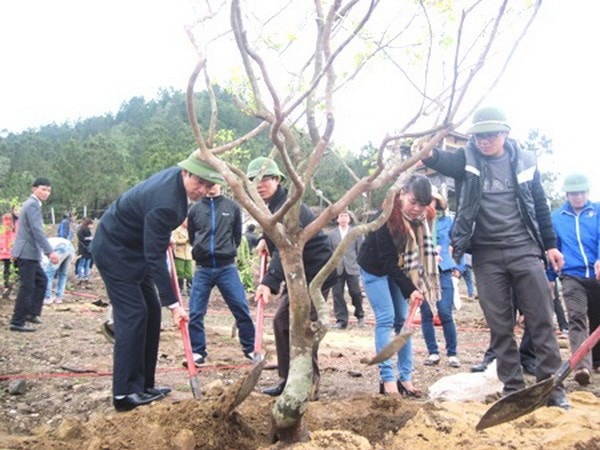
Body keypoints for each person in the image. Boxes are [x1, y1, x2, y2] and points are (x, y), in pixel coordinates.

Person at [421, 106, 569, 409]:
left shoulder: (526, 160)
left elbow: (539, 203)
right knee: (500, 326)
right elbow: (432, 157)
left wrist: (550, 245)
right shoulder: (466, 158)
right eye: (478, 136)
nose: (483, 141)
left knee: (541, 319)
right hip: (486, 255)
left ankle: (551, 388)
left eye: (490, 135)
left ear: (505, 133)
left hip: (524, 249)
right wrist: (429, 139)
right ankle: (513, 388)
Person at [90, 151, 225, 412]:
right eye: (199, 182)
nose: (203, 190)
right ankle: (124, 393)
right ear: (185, 172)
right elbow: (154, 257)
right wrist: (174, 303)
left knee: (151, 312)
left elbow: (149, 225)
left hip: (134, 248)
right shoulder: (167, 202)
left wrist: (161, 235)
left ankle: (144, 385)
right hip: (115, 251)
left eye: (209, 185)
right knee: (134, 314)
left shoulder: (176, 185)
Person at [247, 157, 336, 397]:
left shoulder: (287, 206)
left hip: (316, 272)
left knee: (302, 327)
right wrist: (265, 239)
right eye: (254, 180)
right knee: (283, 323)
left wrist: (268, 282)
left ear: (277, 180)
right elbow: (277, 240)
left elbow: (285, 247)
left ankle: (308, 384)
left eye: (266, 179)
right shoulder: (270, 206)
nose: (260, 184)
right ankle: (289, 381)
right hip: (298, 274)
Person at [358, 174, 438, 397]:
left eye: (422, 204)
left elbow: (420, 252)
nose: (417, 209)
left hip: (399, 270)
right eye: (413, 202)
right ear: (402, 194)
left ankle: (406, 378)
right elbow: (386, 261)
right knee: (386, 318)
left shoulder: (424, 217)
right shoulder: (385, 217)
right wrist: (410, 289)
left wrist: (417, 282)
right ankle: (388, 379)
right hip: (375, 268)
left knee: (404, 322)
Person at [186, 183, 255, 365]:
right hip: (203, 268)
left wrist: (226, 249)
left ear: (220, 184)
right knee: (195, 311)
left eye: (213, 183)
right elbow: (193, 237)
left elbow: (237, 237)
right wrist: (201, 251)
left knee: (241, 308)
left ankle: (250, 349)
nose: (210, 187)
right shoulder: (195, 210)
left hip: (227, 268)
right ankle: (197, 353)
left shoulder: (232, 207)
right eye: (206, 183)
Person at [551, 172, 600, 385]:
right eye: (573, 193)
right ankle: (582, 367)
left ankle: (597, 360)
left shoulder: (597, 211)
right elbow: (553, 247)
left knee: (597, 319)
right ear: (567, 195)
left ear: (587, 192)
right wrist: (550, 275)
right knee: (577, 319)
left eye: (581, 193)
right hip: (572, 275)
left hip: (597, 273)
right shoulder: (556, 217)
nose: (577, 197)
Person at [10, 177, 59, 332]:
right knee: (27, 286)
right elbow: (37, 231)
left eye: (48, 190)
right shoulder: (32, 205)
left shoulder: (32, 204)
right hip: (27, 252)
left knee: (41, 281)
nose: (46, 193)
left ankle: (32, 313)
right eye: (43, 189)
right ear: (34, 189)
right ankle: (17, 321)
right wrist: (50, 251)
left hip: (29, 252)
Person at [420, 189, 460, 368]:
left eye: (432, 200)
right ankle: (433, 352)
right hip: (423, 271)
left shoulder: (448, 221)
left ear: (438, 203)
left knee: (445, 312)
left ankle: (452, 353)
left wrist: (457, 266)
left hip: (443, 269)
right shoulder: (416, 223)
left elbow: (458, 243)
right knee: (426, 313)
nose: (429, 203)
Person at [328, 210, 365, 329]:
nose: (343, 218)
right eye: (341, 216)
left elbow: (361, 251)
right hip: (336, 268)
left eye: (345, 216)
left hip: (352, 267)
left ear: (349, 219)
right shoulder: (331, 234)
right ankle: (341, 320)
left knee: (355, 292)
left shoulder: (356, 233)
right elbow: (329, 251)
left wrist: (360, 266)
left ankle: (360, 315)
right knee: (337, 294)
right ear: (337, 219)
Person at [43, 237, 75, 304]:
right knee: (63, 274)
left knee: (48, 273)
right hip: (70, 247)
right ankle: (59, 297)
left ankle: (47, 297)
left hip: (61, 247)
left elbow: (44, 262)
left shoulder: (42, 246)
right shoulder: (50, 240)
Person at [171, 218, 194, 296]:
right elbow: (175, 241)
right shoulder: (177, 230)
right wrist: (186, 240)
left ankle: (190, 289)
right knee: (180, 272)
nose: (187, 223)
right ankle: (180, 289)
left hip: (188, 254)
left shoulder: (190, 230)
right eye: (186, 221)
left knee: (189, 272)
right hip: (179, 254)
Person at [1, 213, 18, 297]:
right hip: (10, 254)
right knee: (12, 271)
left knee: (7, 271)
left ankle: (8, 287)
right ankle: (9, 287)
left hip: (8, 254)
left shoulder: (6, 230)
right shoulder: (12, 229)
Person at [76, 217, 94, 286]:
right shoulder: (83, 230)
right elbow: (81, 238)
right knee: (83, 263)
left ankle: (83, 277)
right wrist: (90, 238)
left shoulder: (85, 230)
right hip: (84, 249)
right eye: (91, 224)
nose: (92, 225)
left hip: (86, 249)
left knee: (85, 264)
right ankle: (83, 277)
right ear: (88, 224)